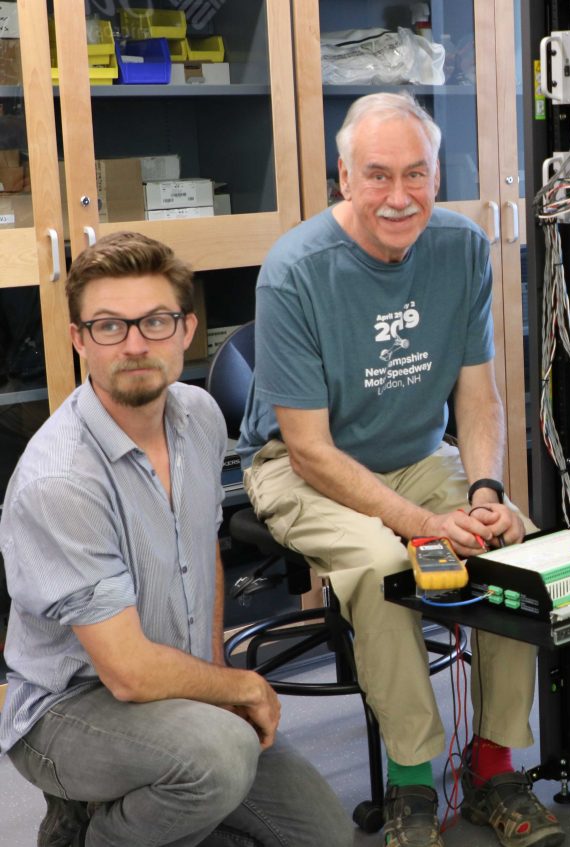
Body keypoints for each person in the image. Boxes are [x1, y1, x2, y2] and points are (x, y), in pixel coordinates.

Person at [237, 92, 563, 847]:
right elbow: (311, 449)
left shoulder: (461, 245)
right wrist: (420, 523)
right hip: (303, 465)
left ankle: (496, 771)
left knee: (511, 546)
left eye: (416, 174)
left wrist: (485, 490)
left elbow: (478, 398)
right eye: (377, 176)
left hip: (420, 455)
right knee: (387, 563)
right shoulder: (295, 271)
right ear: (343, 179)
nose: (399, 196)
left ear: (436, 173)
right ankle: (413, 783)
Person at [0, 231, 351, 847]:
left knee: (321, 833)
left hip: (176, 686)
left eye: (155, 322)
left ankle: (164, 802)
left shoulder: (199, 415)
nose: (135, 345)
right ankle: (85, 831)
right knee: (216, 759)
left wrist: (212, 675)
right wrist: (240, 686)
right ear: (80, 339)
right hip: (70, 711)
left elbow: (203, 551)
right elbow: (129, 675)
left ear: (186, 330)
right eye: (110, 326)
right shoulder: (61, 479)